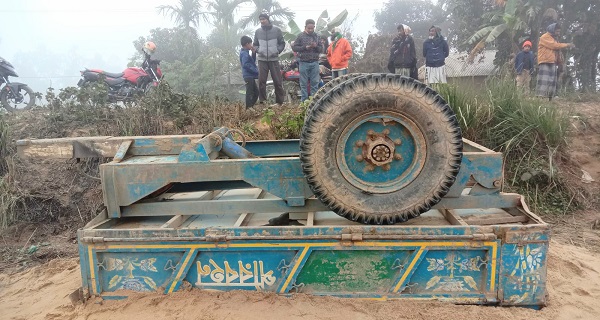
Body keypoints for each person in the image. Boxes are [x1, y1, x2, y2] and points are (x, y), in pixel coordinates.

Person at [253, 12, 286, 106]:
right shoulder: (258, 31)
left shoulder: (276, 30)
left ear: (268, 19)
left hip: (274, 59)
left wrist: (277, 50)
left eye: (264, 19)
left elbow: (282, 43)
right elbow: (255, 44)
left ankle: (280, 102)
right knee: (261, 81)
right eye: (261, 19)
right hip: (262, 60)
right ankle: (262, 101)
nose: (262, 21)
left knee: (278, 81)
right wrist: (259, 50)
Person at [536, 23, 574, 100]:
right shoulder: (545, 37)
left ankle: (550, 96)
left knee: (552, 80)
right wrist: (567, 45)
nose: (558, 33)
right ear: (552, 30)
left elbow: (557, 50)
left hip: (552, 61)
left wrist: (560, 62)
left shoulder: (554, 38)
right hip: (544, 60)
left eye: (559, 31)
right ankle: (541, 96)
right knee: (544, 79)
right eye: (557, 31)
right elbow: (554, 46)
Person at [292, 19, 322, 101]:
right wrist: (305, 47)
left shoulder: (317, 36)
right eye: (309, 28)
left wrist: (315, 46)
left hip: (315, 62)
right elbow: (294, 47)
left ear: (314, 27)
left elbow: (321, 49)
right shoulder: (300, 36)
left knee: (315, 83)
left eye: (312, 28)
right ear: (305, 27)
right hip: (303, 62)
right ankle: (304, 101)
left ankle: (314, 101)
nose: (310, 30)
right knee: (303, 83)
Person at [239, 36, 259, 109]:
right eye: (250, 43)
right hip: (248, 75)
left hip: (250, 75)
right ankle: (249, 107)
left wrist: (253, 53)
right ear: (247, 44)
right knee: (250, 92)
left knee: (256, 92)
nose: (251, 45)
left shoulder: (246, 53)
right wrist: (255, 71)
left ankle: (250, 107)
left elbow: (252, 62)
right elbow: (246, 64)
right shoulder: (244, 53)